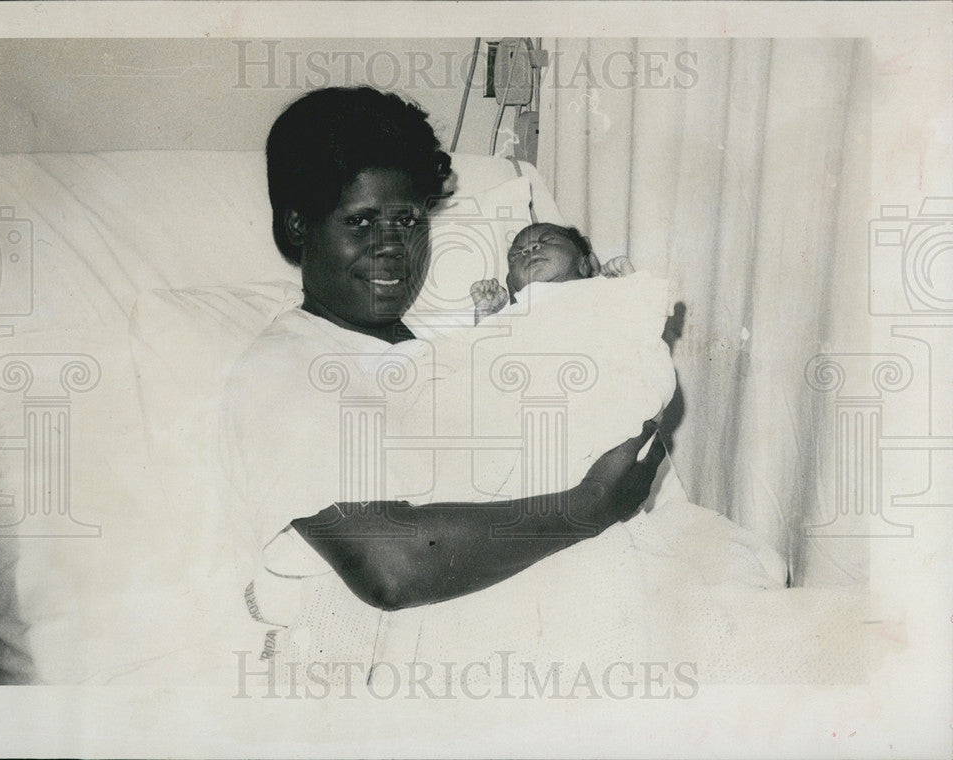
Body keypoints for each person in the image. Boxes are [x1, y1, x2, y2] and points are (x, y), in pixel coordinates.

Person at [219, 86, 667, 684]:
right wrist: (590, 506)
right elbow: (391, 567)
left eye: (407, 220)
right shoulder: (287, 366)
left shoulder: (454, 348)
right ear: (298, 225)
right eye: (361, 222)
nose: (392, 248)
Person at [470, 222, 637, 324]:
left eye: (547, 240)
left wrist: (630, 285)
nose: (529, 249)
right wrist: (487, 311)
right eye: (516, 254)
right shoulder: (514, 314)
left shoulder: (598, 290)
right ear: (512, 286)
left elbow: (643, 326)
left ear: (584, 264)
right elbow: (485, 355)